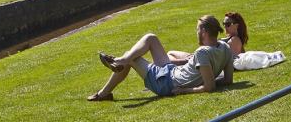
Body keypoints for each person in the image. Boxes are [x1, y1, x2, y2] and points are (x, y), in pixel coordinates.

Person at [87, 15, 234, 101]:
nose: (196, 32)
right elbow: (227, 80)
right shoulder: (225, 48)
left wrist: (186, 90)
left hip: (166, 83)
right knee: (151, 38)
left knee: (131, 57)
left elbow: (209, 87)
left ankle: (104, 92)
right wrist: (207, 77)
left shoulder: (203, 52)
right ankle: (121, 61)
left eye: (197, 29)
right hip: (172, 72)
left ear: (204, 31)